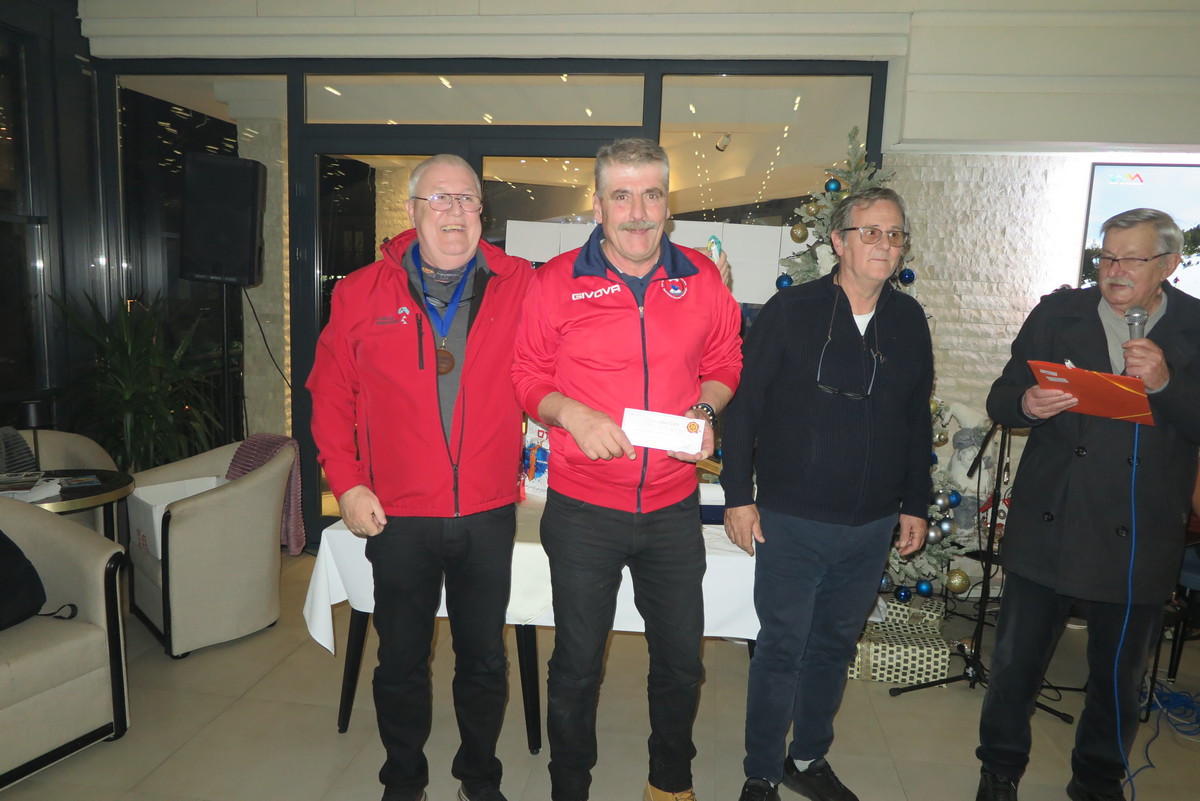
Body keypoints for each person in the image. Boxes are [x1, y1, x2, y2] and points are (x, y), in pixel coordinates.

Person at [511, 137, 743, 801]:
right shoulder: (556, 281)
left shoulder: (701, 277)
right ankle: (569, 788)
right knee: (577, 665)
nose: (638, 212)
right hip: (583, 510)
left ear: (668, 203)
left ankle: (669, 783)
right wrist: (571, 414)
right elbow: (525, 375)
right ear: (598, 205)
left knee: (681, 663)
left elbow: (726, 360)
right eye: (622, 196)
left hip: (671, 508)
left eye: (651, 195)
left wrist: (705, 409)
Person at [307, 154, 534, 801]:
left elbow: (589, 317)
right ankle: (404, 780)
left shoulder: (520, 284)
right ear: (412, 210)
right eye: (440, 198)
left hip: (487, 511)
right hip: (398, 515)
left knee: (484, 660)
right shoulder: (360, 292)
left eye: (467, 199)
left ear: (481, 211)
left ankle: (478, 778)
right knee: (401, 661)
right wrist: (348, 483)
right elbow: (331, 395)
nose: (454, 211)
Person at [974, 208, 1200, 801]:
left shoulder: (1196, 325)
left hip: (1140, 533)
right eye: (1107, 257)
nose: (1114, 271)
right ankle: (998, 772)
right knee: (1014, 668)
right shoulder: (1058, 314)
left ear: (1168, 264)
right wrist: (1026, 404)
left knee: (1119, 680)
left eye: (1132, 259)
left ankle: (1097, 783)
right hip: (1051, 520)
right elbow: (1001, 397)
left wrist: (1167, 385)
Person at [721, 186, 933, 801]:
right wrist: (737, 495)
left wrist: (915, 503)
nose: (884, 245)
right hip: (791, 517)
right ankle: (762, 769)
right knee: (781, 648)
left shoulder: (907, 320)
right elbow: (746, 406)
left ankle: (808, 757)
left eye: (894, 234)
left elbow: (916, 419)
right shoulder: (792, 310)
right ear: (838, 242)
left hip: (870, 523)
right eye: (871, 232)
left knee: (834, 646)